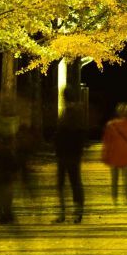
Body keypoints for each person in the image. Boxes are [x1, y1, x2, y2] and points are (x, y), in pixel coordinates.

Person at [55, 89, 88, 223]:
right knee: (73, 183)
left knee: (68, 183)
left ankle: (70, 212)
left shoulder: (71, 112)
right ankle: (75, 211)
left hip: (67, 152)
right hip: (70, 152)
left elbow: (67, 132)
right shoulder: (75, 111)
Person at [101, 103, 127, 204]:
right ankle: (125, 198)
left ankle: (115, 199)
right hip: (126, 154)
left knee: (115, 179)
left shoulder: (111, 124)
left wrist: (105, 155)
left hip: (114, 154)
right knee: (125, 178)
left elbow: (106, 141)